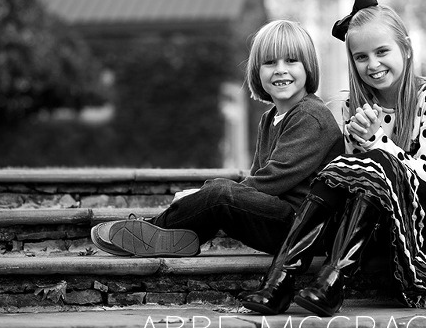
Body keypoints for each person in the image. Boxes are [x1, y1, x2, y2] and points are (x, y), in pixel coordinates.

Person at [241, 0, 426, 317]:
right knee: (344, 167)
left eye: (382, 52)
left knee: (374, 161)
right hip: (374, 228)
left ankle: (333, 280)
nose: (372, 65)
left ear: (405, 47)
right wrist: (360, 143)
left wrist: (377, 142)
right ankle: (280, 280)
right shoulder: (354, 108)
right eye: (361, 57)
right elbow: (349, 185)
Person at [90, 20, 343, 258]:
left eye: (291, 61)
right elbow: (256, 179)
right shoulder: (270, 118)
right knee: (220, 193)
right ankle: (175, 238)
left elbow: (272, 180)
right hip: (281, 220)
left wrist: (204, 194)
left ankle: (152, 230)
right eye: (269, 63)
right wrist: (206, 196)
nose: (280, 70)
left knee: (220, 193)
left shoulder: (312, 116)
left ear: (308, 67)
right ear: (257, 70)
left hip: (307, 228)